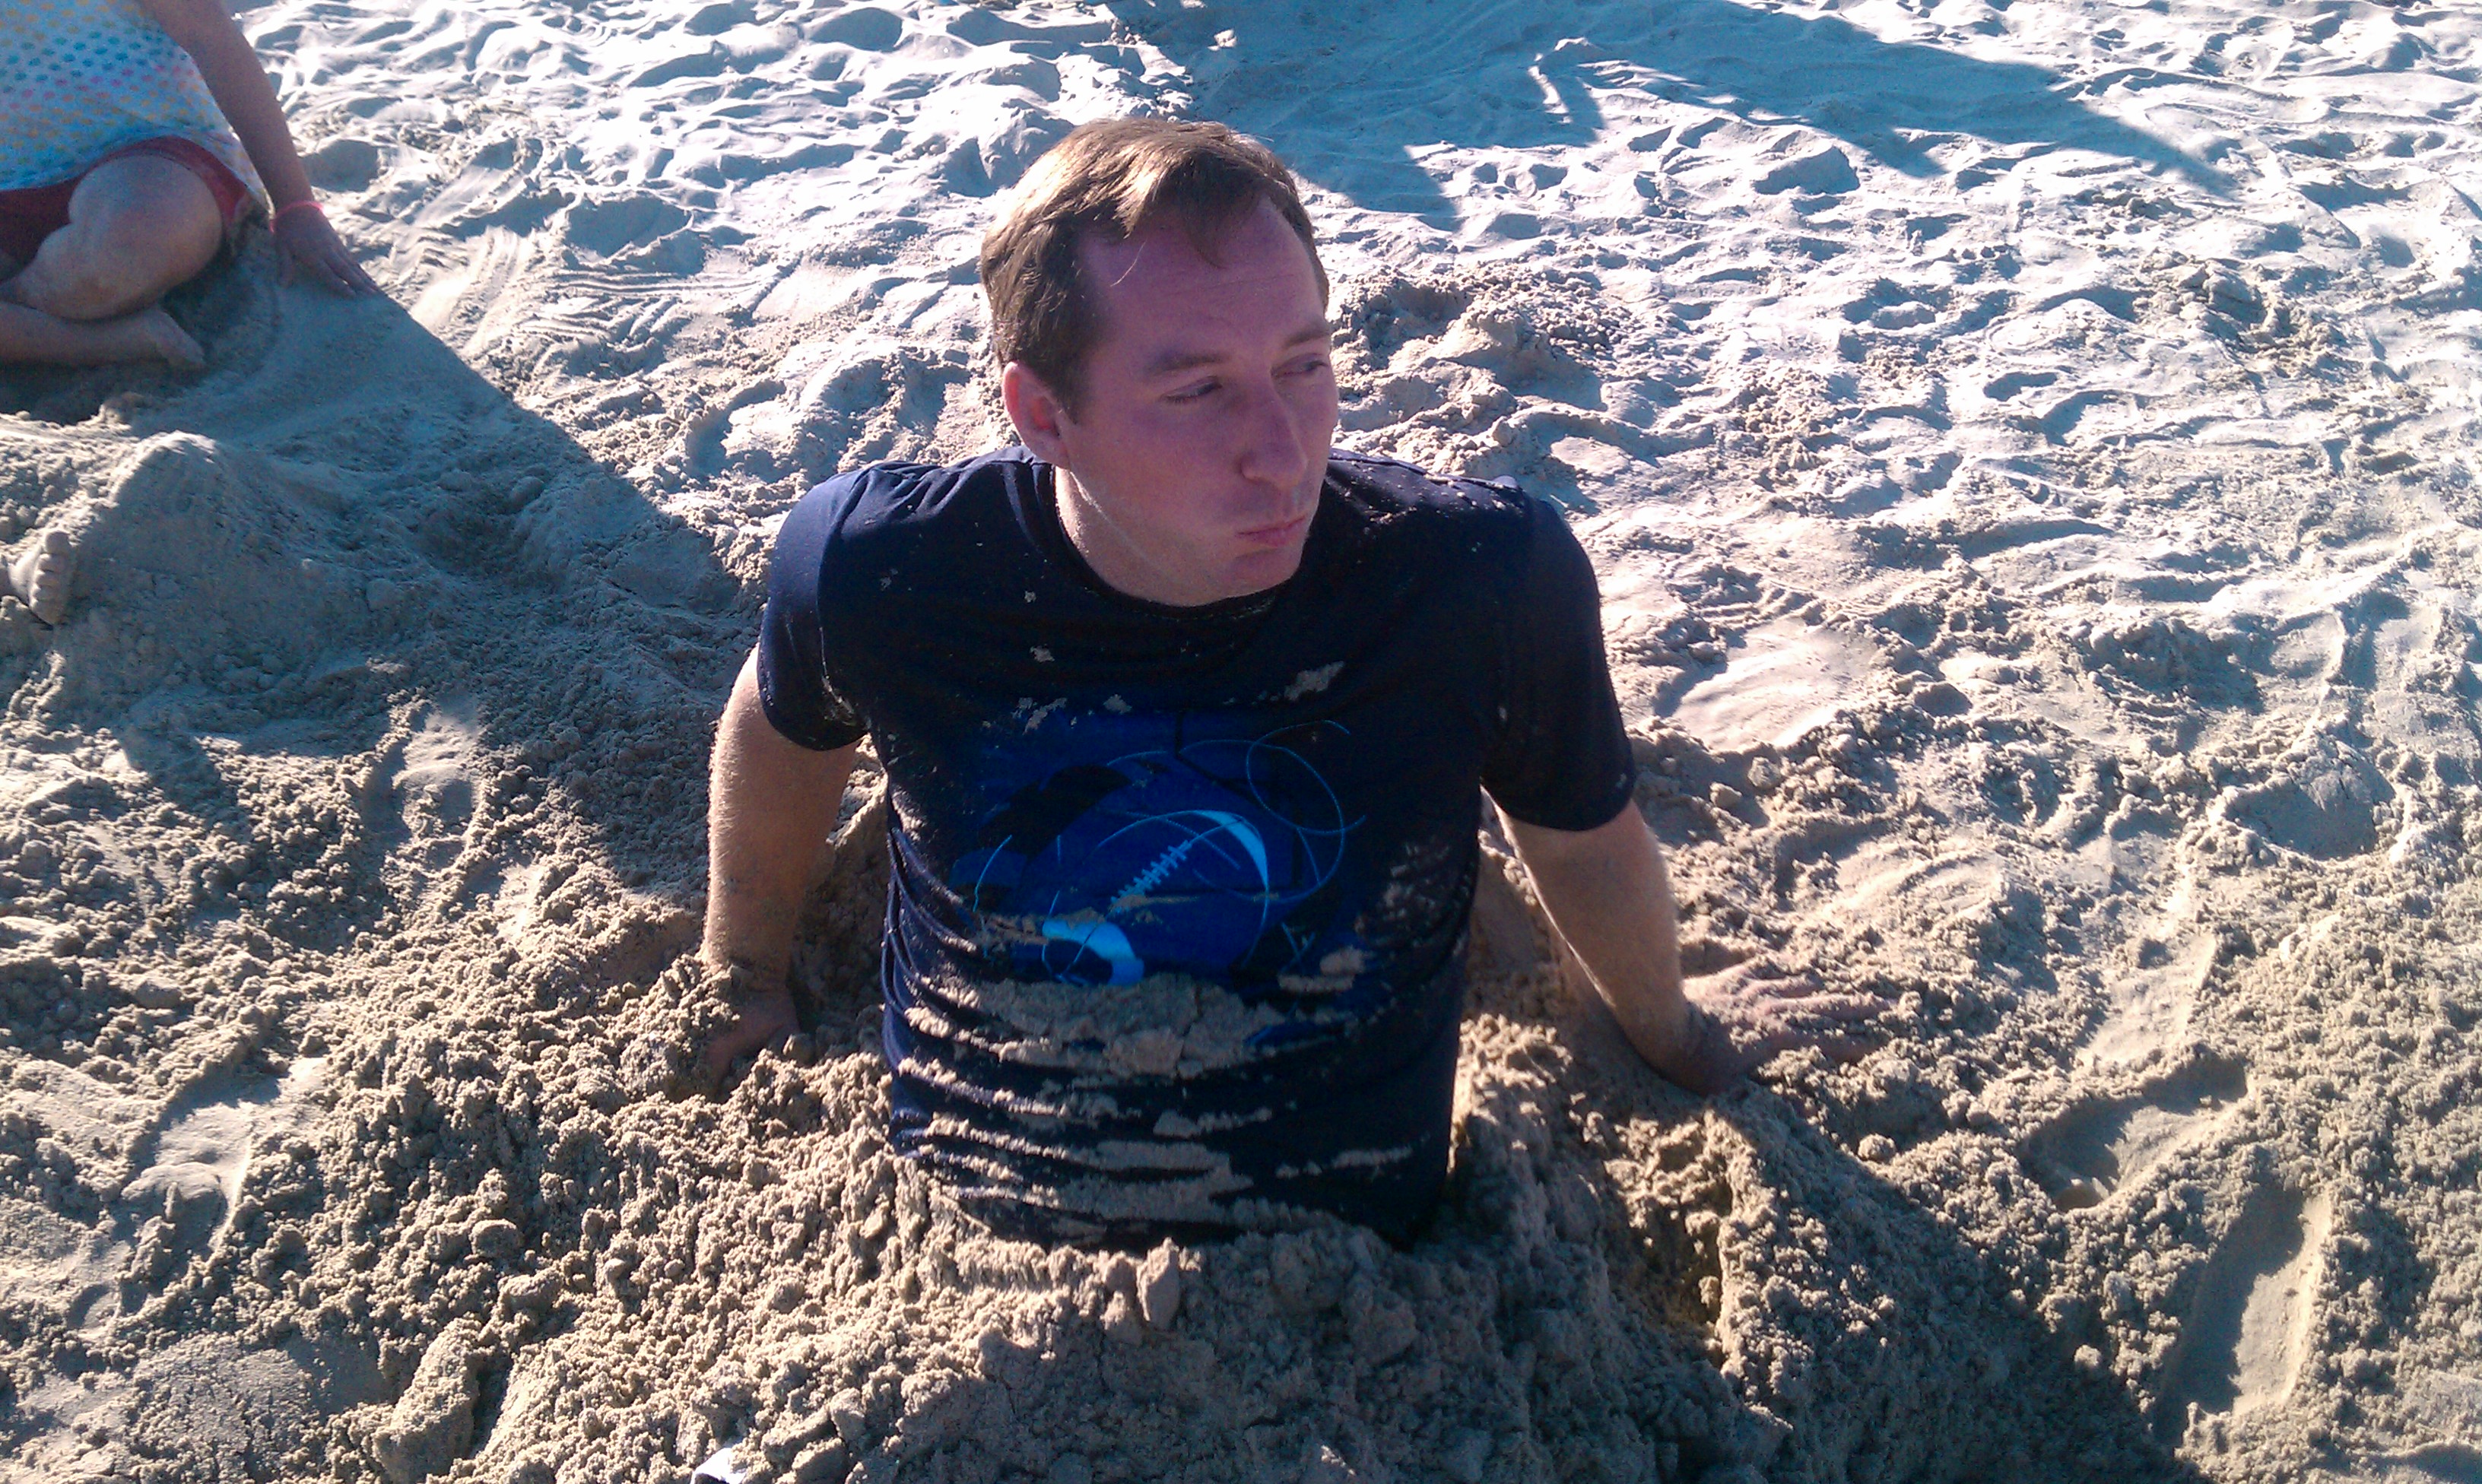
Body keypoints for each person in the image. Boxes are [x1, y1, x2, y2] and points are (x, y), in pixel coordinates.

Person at [696, 118, 1879, 1245]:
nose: (1284, 450)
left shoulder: (1474, 581)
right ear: (1043, 413)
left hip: (1372, 1283)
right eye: (1197, 389)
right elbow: (782, 728)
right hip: (968, 1264)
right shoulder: (885, 573)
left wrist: (1671, 1030)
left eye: (1304, 363)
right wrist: (741, 970)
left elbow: (1580, 839)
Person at [1, 0, 377, 373]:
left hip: (148, 153)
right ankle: (105, 342)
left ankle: (21, 313)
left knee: (133, 243)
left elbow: (211, 36)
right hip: (10, 189)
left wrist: (296, 205)